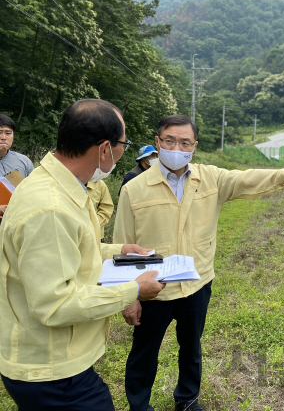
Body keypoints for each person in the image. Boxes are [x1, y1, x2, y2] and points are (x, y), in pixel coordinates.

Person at [114, 114, 284, 411]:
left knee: (191, 347)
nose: (177, 147)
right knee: (144, 351)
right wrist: (130, 295)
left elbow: (245, 179)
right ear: (157, 143)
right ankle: (139, 405)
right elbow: (123, 243)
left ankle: (187, 399)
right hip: (153, 287)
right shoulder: (134, 188)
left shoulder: (210, 178)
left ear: (194, 146)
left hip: (197, 282)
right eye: (170, 140)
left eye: (185, 142)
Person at [0, 99, 166, 411]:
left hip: (55, 363)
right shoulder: (50, 207)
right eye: (122, 144)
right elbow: (55, 303)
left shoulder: (61, 184)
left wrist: (119, 251)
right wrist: (134, 289)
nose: (122, 151)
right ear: (105, 149)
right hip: (49, 372)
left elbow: (69, 250)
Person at [0, 113, 34, 219]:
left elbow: (33, 191)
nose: (3, 137)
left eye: (8, 133)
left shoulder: (24, 161)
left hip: (16, 221)